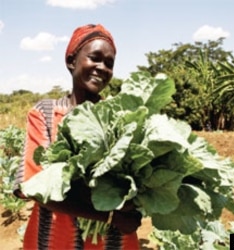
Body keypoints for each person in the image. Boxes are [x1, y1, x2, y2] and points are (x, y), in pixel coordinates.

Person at [14, 24, 142, 250]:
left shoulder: (121, 117)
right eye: (95, 58)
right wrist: (110, 216)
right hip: (54, 240)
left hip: (113, 242)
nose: (102, 68)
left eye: (109, 63)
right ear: (71, 61)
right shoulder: (44, 113)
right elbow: (36, 188)